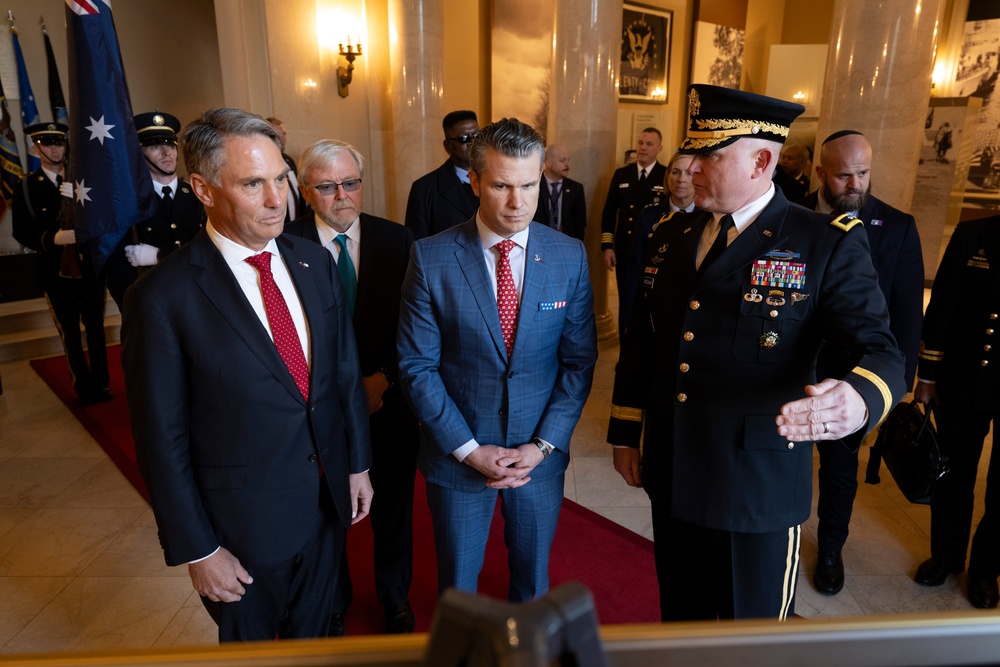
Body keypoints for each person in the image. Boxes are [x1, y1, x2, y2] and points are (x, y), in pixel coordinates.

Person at [606, 84, 906, 622]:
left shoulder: (825, 241)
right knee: (682, 620)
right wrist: (627, 430)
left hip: (756, 485)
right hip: (674, 466)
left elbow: (881, 350)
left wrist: (857, 399)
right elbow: (644, 340)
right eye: (691, 154)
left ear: (762, 160)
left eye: (708, 157)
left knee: (754, 634)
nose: (690, 169)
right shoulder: (673, 234)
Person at [120, 108, 373, 642]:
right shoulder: (163, 298)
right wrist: (199, 549)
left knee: (318, 642)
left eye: (280, 178)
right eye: (253, 184)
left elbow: (342, 376)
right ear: (204, 189)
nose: (277, 199)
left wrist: (356, 466)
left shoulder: (312, 261)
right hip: (241, 531)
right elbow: (160, 440)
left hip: (325, 507)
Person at [397, 117, 598, 602]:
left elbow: (578, 363)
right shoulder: (431, 257)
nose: (518, 202)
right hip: (460, 457)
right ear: (474, 181)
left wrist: (543, 446)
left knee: (532, 585)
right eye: (503, 186)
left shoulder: (569, 256)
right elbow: (416, 366)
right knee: (459, 589)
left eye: (529, 185)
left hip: (538, 458)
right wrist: (468, 450)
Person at [286, 139, 420, 635]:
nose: (342, 195)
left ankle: (394, 596)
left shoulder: (398, 239)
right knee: (328, 515)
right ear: (305, 190)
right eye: (327, 186)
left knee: (393, 509)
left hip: (387, 401)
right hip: (315, 413)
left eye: (351, 183)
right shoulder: (284, 244)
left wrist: (383, 378)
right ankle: (334, 600)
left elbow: (416, 324)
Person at [799, 129, 925, 596]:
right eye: (844, 175)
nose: (854, 184)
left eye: (863, 174)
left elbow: (907, 313)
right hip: (790, 367)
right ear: (820, 174)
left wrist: (896, 384)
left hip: (852, 376)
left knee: (838, 468)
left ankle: (831, 549)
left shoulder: (897, 226)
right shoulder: (790, 213)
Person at [913, 215, 1000, 610]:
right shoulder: (973, 233)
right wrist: (927, 374)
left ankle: (985, 570)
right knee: (954, 475)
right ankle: (947, 557)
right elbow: (944, 304)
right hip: (965, 377)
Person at [12, 122, 111, 406]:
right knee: (70, 331)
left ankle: (101, 382)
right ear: (35, 148)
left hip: (89, 269)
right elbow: (21, 230)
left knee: (95, 329)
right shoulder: (27, 187)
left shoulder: (82, 179)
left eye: (59, 144)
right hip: (55, 272)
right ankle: (83, 386)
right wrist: (51, 238)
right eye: (48, 144)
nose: (55, 149)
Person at [105, 111, 206, 309]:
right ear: (139, 154)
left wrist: (160, 255)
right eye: (155, 147)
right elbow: (117, 268)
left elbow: (212, 247)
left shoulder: (198, 194)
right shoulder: (127, 202)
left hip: (197, 292)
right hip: (153, 300)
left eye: (170, 146)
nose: (166, 153)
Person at [620, 152, 696, 334]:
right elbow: (635, 269)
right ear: (667, 176)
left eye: (689, 173)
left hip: (688, 312)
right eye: (675, 172)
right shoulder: (649, 215)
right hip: (652, 308)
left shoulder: (707, 217)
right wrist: (628, 319)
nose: (681, 179)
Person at [600, 127, 667, 332]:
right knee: (627, 301)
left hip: (653, 252)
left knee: (650, 302)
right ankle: (625, 352)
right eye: (640, 143)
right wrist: (608, 246)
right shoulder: (622, 174)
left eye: (649, 144)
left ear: (659, 148)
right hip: (625, 251)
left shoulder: (665, 175)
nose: (643, 148)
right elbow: (609, 212)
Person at [405, 110, 481, 240]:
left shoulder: (500, 179)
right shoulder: (424, 189)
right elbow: (417, 246)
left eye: (477, 136)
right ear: (448, 146)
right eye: (464, 139)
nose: (472, 143)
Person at [533, 144, 586, 240]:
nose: (567, 165)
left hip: (566, 243)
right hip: (539, 240)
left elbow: (580, 224)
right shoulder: (534, 185)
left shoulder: (576, 188)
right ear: (549, 163)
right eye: (562, 160)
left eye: (568, 160)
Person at [267, 116, 307, 223]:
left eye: (284, 134)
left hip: (297, 224)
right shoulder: (265, 163)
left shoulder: (289, 160)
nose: (283, 138)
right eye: (278, 134)